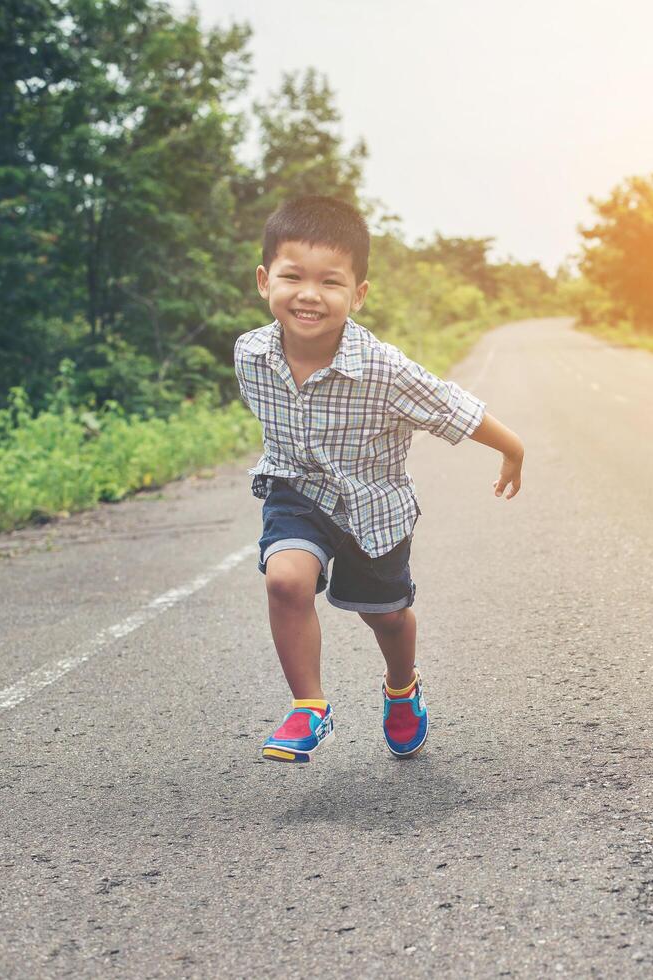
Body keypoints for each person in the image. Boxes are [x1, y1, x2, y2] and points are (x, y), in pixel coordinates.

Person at [233, 195, 524, 764]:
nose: (310, 294)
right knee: (285, 580)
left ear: (358, 294)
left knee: (386, 616)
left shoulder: (385, 369)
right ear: (265, 281)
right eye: (293, 277)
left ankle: (401, 688)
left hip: (375, 505)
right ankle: (308, 707)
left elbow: (452, 407)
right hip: (300, 491)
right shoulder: (251, 354)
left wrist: (512, 448)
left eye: (331, 282)